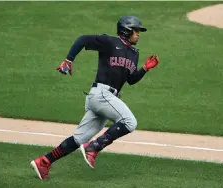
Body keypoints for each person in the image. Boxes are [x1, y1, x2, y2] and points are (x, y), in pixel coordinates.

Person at [30, 16, 159, 180]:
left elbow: (131, 80)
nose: (138, 34)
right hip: (101, 95)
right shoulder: (109, 42)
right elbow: (83, 39)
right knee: (130, 122)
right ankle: (94, 147)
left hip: (106, 100)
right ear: (126, 30)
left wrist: (145, 69)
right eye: (136, 30)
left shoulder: (134, 54)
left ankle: (45, 161)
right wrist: (68, 60)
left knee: (78, 139)